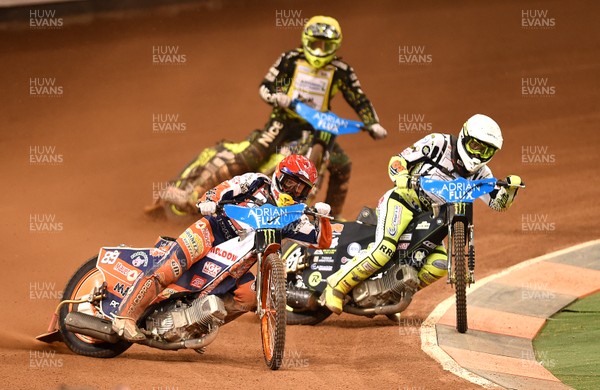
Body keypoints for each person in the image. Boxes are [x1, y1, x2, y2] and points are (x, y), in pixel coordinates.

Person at [181, 15, 387, 219]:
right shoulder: (290, 59)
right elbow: (265, 85)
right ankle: (199, 193)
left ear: (336, 46)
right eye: (316, 44)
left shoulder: (341, 70)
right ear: (306, 40)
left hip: (317, 126)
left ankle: (332, 217)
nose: (319, 50)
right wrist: (276, 96)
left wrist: (372, 123)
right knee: (256, 152)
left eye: (326, 46)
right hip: (284, 119)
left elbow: (359, 99)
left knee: (342, 165)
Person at [113, 155, 333, 341]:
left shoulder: (295, 216)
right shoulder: (256, 182)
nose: (293, 190)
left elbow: (322, 242)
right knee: (169, 268)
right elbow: (225, 188)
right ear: (279, 176)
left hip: (238, 264)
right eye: (290, 182)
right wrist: (208, 200)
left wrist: (323, 219)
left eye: (301, 187)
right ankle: (125, 317)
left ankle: (197, 325)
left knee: (248, 297)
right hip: (211, 233)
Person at [320, 114, 524, 314]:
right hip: (403, 201)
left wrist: (510, 190)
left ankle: (387, 294)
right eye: (476, 146)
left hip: (431, 218)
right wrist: (401, 176)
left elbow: (498, 204)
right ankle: (335, 286)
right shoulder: (438, 143)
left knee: (439, 265)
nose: (479, 154)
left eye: (487, 151)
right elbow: (398, 160)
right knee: (384, 249)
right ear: (464, 137)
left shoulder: (482, 174)